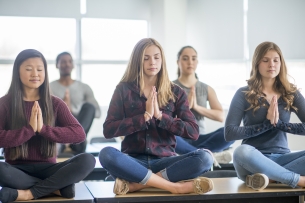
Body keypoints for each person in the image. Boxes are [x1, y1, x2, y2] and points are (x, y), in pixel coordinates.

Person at [99, 38, 214, 195]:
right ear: (137, 61)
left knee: (205, 158)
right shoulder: (123, 89)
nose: (152, 62)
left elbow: (193, 132)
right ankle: (174, 187)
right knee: (106, 154)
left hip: (165, 161)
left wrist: (161, 117)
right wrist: (144, 117)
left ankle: (138, 185)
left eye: (156, 57)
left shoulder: (176, 92)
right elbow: (108, 130)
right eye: (146, 58)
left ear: (162, 60)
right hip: (133, 162)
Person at [0, 49, 96, 203]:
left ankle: (28, 193)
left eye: (39, 69)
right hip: (16, 169)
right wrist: (29, 130)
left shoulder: (55, 103)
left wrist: (43, 129)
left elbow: (79, 134)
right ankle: (56, 189)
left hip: (49, 169)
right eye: (29, 69)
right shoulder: (4, 103)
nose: (35, 74)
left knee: (88, 160)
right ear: (17, 71)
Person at [225, 41, 305, 190]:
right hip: (252, 160)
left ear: (281, 63)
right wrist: (266, 125)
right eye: (265, 60)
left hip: (282, 159)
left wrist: (280, 124)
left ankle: (271, 177)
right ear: (257, 63)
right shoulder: (244, 94)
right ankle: (295, 179)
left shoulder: (291, 93)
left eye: (275, 60)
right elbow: (229, 133)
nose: (271, 65)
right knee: (240, 151)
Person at [173, 46, 234, 165]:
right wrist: (184, 109)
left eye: (193, 58)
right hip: (179, 137)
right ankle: (210, 155)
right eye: (185, 58)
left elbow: (220, 116)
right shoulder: (169, 87)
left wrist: (196, 107)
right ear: (178, 62)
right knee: (164, 134)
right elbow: (163, 118)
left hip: (201, 137)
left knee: (230, 132)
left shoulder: (206, 88)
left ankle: (195, 154)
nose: (190, 62)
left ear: (197, 62)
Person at [50, 52, 101, 155]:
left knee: (89, 107)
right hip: (59, 133)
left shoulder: (84, 87)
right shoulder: (49, 87)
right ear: (57, 65)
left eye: (70, 61)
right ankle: (64, 141)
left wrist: (71, 111)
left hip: (78, 136)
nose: (67, 64)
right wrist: (62, 109)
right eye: (63, 62)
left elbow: (97, 112)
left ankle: (73, 139)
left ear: (73, 65)